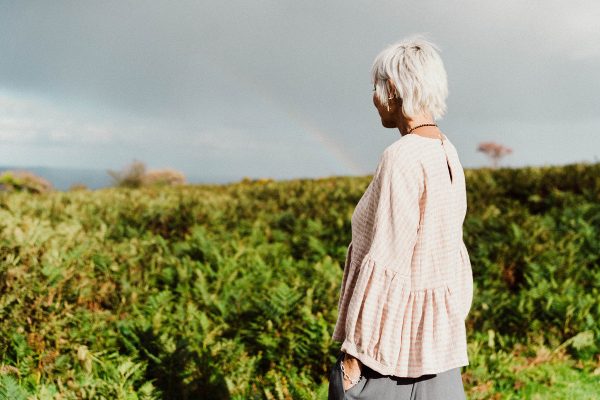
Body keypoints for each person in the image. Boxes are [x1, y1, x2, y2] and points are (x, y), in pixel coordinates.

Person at [328, 35, 473, 400]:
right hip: (438, 351)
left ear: (391, 89)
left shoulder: (402, 156)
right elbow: (453, 254)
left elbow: (387, 257)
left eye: (375, 88)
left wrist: (354, 357)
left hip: (389, 357)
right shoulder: (447, 151)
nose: (374, 99)